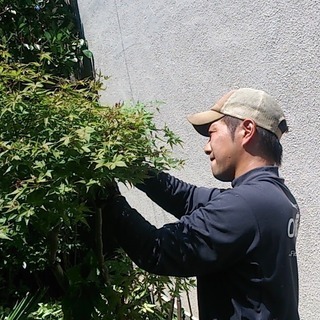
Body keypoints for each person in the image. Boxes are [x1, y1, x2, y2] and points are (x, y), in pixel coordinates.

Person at [106, 88, 300, 320]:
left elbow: (156, 249)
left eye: (212, 133)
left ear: (247, 131)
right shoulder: (276, 196)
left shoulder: (244, 206)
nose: (207, 147)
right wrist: (133, 168)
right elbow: (187, 198)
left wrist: (110, 199)